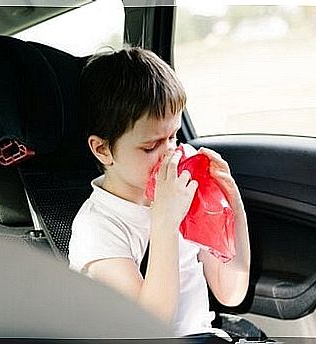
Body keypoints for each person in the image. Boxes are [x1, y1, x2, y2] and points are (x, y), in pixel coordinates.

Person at [68, 47, 251, 338]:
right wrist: (165, 219)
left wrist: (233, 210)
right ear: (103, 149)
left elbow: (231, 291)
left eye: (174, 136)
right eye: (150, 146)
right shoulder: (98, 227)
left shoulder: (182, 185)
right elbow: (149, 327)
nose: (169, 154)